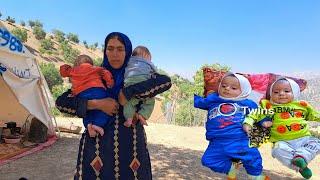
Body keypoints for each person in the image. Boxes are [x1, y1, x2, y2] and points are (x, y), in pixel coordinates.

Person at [55, 32, 171, 179]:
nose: (115, 54)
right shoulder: (94, 76)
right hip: (96, 155)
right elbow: (61, 103)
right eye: (110, 49)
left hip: (132, 152)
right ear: (105, 51)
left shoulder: (136, 76)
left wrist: (127, 93)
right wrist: (97, 104)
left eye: (120, 49)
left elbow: (165, 82)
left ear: (128, 51)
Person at [194, 72, 269, 180]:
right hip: (216, 141)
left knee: (252, 158)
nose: (227, 89)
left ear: (243, 90)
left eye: (233, 88)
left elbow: (259, 113)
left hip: (239, 139)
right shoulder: (213, 100)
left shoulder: (247, 103)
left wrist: (264, 121)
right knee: (207, 161)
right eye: (223, 86)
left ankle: (256, 175)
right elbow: (198, 102)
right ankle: (231, 167)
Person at [246, 77, 320, 179]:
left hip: (304, 138)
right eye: (276, 92)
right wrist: (248, 123)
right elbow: (255, 114)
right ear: (271, 94)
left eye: (286, 91)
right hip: (282, 141)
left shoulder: (302, 105)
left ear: (294, 92)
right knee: (277, 150)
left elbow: (315, 115)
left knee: (316, 143)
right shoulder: (269, 106)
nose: (281, 93)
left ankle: (301, 157)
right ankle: (301, 166)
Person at [60, 54, 114, 137]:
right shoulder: (96, 69)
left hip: (80, 93)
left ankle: (88, 125)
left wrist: (68, 68)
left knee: (86, 112)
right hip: (98, 91)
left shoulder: (74, 71)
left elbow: (63, 71)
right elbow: (106, 73)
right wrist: (109, 83)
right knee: (102, 112)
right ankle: (98, 125)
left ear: (76, 64)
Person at [123, 46, 156, 127]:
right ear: (146, 58)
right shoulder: (148, 63)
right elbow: (154, 73)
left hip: (129, 87)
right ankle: (142, 115)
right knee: (150, 101)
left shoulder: (128, 62)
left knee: (129, 103)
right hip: (144, 87)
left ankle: (129, 119)